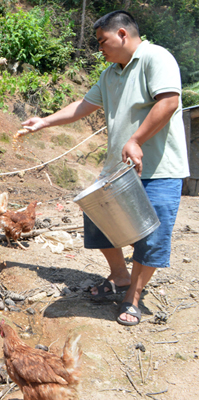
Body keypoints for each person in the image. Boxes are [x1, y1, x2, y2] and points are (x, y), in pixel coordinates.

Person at [21, 10, 189, 326]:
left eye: (103, 41)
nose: (100, 49)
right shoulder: (111, 74)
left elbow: (168, 102)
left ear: (123, 34)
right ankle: (120, 275)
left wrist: (137, 139)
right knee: (96, 219)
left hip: (159, 168)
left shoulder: (156, 58)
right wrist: (44, 121)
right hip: (118, 167)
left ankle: (133, 298)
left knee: (152, 238)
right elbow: (83, 106)